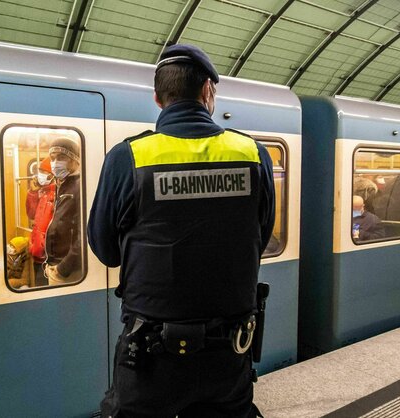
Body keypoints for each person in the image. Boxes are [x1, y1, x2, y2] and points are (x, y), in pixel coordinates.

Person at [88, 44, 275, 417]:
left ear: (158, 99)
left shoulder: (129, 157)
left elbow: (105, 249)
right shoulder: (253, 154)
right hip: (228, 351)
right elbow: (261, 236)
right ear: (208, 91)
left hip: (150, 356)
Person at [42, 137, 83, 285]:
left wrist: (63, 268)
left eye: (61, 158)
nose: (55, 163)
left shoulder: (79, 187)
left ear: (74, 160)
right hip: (55, 264)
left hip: (67, 271)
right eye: (52, 158)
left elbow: (83, 234)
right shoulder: (63, 186)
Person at [28, 158, 56, 286]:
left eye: (43, 171)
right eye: (39, 171)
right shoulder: (43, 193)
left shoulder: (56, 195)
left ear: (52, 175)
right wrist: (33, 193)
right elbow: (31, 214)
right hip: (38, 254)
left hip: (48, 256)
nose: (40, 175)